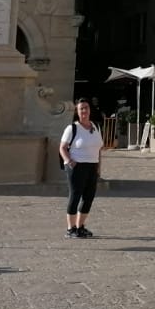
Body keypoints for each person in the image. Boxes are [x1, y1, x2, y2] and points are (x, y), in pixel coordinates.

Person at [60, 98, 104, 237]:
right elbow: (62, 147)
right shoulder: (72, 128)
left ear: (90, 110)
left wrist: (98, 167)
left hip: (92, 165)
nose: (84, 111)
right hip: (76, 166)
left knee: (88, 197)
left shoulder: (96, 126)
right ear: (77, 112)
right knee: (75, 196)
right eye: (81, 109)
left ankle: (80, 226)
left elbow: (99, 149)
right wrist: (69, 160)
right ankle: (70, 228)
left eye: (86, 108)